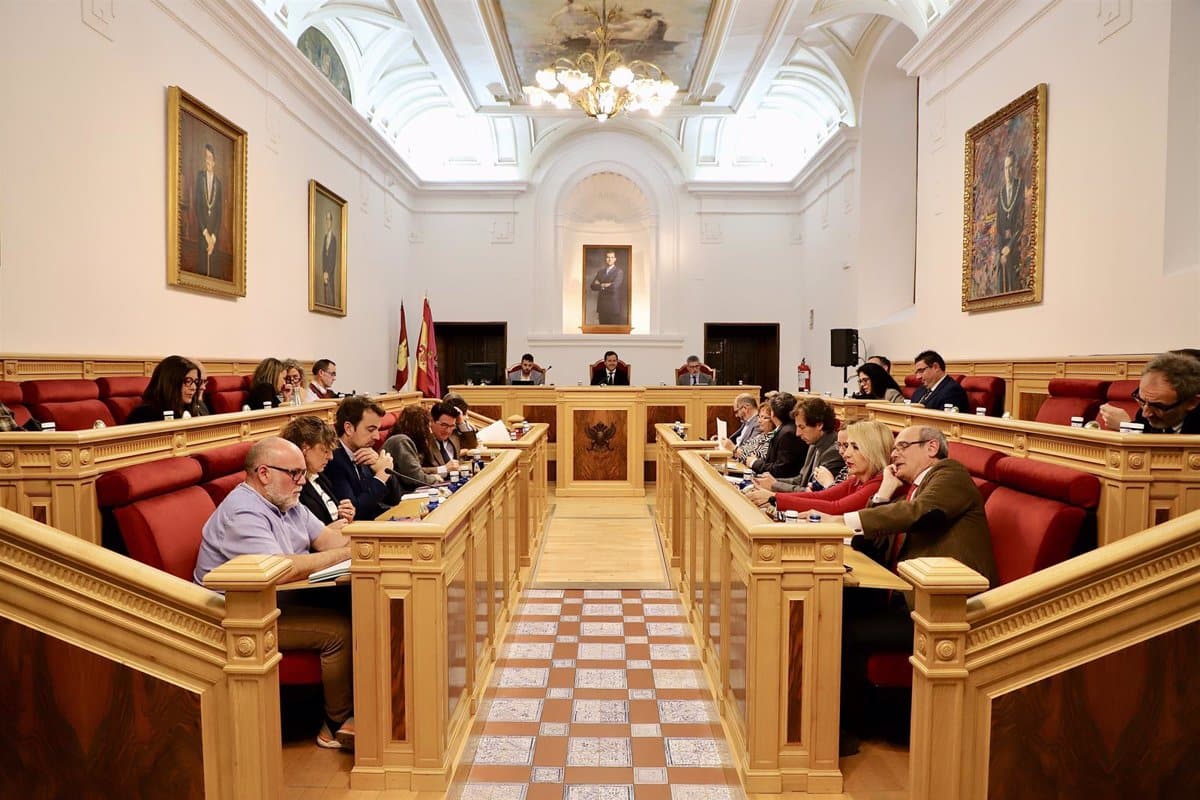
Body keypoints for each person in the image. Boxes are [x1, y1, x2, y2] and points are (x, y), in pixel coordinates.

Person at [822, 425, 996, 748]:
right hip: (915, 599)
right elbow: (876, 546)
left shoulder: (949, 475)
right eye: (893, 448)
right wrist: (882, 494)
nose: (894, 453)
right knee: (838, 609)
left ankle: (843, 731)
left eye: (903, 446)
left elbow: (916, 514)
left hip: (947, 609)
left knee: (846, 627)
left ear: (931, 447)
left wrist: (845, 521)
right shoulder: (913, 486)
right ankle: (842, 722)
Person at [192, 437, 355, 750]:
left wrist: (363, 542)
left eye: (302, 473)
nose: (302, 481)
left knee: (357, 604)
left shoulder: (287, 500)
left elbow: (326, 539)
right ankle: (335, 725)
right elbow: (281, 570)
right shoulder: (243, 512)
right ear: (263, 473)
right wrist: (345, 552)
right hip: (235, 616)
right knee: (339, 631)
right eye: (294, 473)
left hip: (274, 603)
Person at [750, 421, 895, 516]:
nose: (846, 454)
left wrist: (774, 498)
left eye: (855, 447)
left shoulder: (879, 482)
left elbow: (836, 507)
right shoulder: (857, 479)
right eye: (847, 446)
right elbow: (821, 496)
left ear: (874, 450)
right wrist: (773, 497)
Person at [321, 396, 396, 519]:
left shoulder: (364, 451)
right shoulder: (333, 460)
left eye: (378, 430)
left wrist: (382, 469)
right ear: (349, 428)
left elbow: (394, 498)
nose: (377, 437)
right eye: (371, 430)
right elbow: (354, 512)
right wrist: (381, 476)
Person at [753, 396, 843, 493]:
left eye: (802, 427)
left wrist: (775, 485)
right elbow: (801, 479)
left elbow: (813, 493)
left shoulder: (834, 452)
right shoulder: (813, 444)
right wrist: (768, 481)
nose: (797, 433)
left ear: (819, 425)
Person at [1098, 351, 1200, 433]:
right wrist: (1129, 427)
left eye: (1158, 406)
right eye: (1141, 400)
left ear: (1192, 403)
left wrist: (1127, 426)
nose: (1145, 414)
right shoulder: (1147, 408)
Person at [281, 415, 356, 525]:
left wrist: (344, 515)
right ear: (305, 448)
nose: (331, 457)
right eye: (325, 451)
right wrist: (329, 531)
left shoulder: (320, 476)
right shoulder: (292, 486)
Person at [125, 355, 206, 424]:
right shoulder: (144, 414)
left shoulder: (194, 408)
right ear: (170, 383)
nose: (194, 388)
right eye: (188, 381)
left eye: (196, 382)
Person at [381, 405, 444, 492]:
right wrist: (433, 478)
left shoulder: (408, 441)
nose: (430, 431)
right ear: (418, 426)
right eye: (427, 426)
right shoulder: (401, 441)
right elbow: (416, 478)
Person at [749, 392, 807, 479]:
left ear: (772, 413)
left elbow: (781, 470)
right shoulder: (784, 429)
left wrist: (754, 462)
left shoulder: (788, 433)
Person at [194, 143, 224, 278]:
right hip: (203, 233)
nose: (208, 161)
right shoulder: (200, 177)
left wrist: (213, 237)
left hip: (213, 237)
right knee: (201, 270)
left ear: (214, 162)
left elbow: (219, 213)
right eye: (206, 157)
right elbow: (198, 206)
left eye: (210, 158)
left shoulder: (219, 184)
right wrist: (205, 233)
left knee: (213, 272)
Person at [996, 150, 1024, 294]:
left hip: (1015, 245)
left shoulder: (1020, 187)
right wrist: (1001, 252)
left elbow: (1021, 222)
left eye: (1011, 166)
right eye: (1006, 168)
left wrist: (1010, 248)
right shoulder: (1000, 194)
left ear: (1015, 167)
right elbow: (999, 227)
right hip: (1002, 249)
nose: (1008, 171)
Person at [589, 250, 627, 326]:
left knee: (613, 334)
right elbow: (593, 286)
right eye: (608, 257)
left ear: (615, 259)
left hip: (613, 308)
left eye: (612, 257)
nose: (610, 259)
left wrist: (600, 285)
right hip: (602, 307)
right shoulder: (600, 272)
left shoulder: (619, 272)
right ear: (605, 259)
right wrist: (605, 285)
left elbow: (614, 287)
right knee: (602, 333)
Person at [427, 401, 463, 474]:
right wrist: (443, 469)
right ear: (431, 421)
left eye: (452, 426)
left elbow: (471, 444)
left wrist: (461, 422)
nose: (448, 431)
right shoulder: (424, 442)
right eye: (444, 425)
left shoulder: (454, 437)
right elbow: (415, 472)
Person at [320, 211, 338, 307]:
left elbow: (333, 260)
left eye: (329, 220)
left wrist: (327, 272)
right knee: (326, 299)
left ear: (331, 221)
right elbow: (323, 255)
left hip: (330, 275)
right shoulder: (325, 237)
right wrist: (323, 272)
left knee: (331, 299)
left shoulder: (334, 239)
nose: (328, 222)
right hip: (325, 275)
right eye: (326, 220)